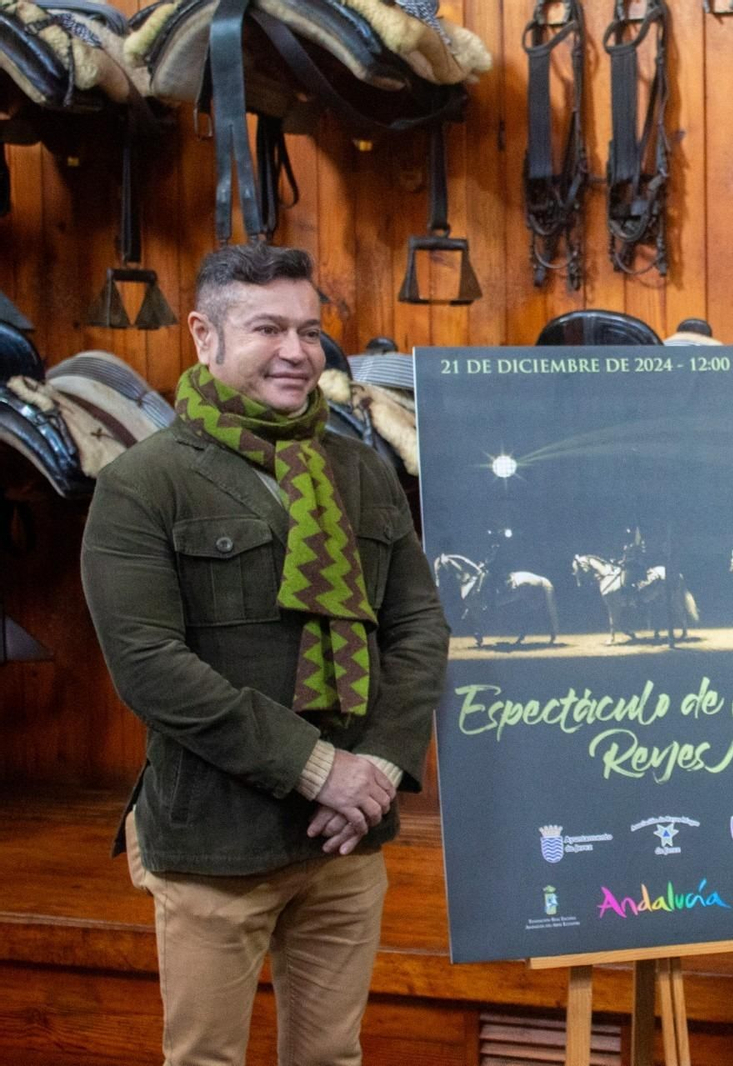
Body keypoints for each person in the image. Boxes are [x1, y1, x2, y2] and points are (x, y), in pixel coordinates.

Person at [81, 244, 449, 1066]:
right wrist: (320, 769)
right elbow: (149, 665)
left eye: (310, 331)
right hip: (217, 842)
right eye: (268, 328)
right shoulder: (145, 483)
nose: (296, 351)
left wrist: (379, 768)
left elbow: (420, 627)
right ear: (205, 336)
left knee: (331, 1058)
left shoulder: (361, 470)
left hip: (347, 840)